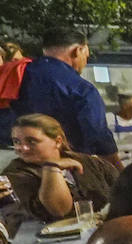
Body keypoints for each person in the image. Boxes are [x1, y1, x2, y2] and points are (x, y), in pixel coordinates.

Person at [7, 29, 117, 163]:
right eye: (86, 56)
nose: (85, 62)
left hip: (14, 163)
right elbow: (99, 138)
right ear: (77, 51)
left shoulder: (13, 77)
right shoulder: (81, 88)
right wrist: (118, 171)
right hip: (68, 167)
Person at [5, 114, 119, 222]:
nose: (23, 148)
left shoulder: (90, 162)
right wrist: (52, 167)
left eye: (31, 141)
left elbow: (124, 192)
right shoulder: (15, 174)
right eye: (17, 142)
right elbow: (60, 210)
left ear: (57, 141)